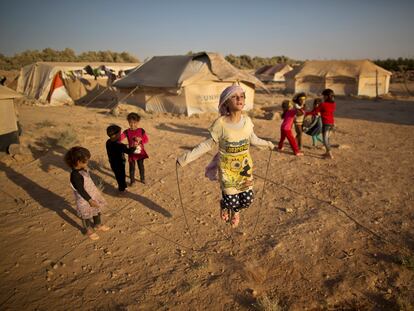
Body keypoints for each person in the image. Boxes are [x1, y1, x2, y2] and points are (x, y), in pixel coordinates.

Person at [177, 85, 274, 228]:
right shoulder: (220, 124)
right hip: (227, 171)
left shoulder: (247, 121)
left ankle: (235, 212)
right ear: (226, 102)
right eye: (234, 96)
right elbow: (206, 145)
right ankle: (226, 205)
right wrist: (185, 159)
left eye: (242, 96)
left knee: (247, 200)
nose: (239, 99)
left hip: (245, 170)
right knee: (231, 200)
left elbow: (254, 140)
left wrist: (269, 144)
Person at [64, 146, 110, 240]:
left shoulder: (82, 169)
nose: (87, 162)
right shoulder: (75, 175)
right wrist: (89, 200)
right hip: (84, 199)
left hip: (92, 195)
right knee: (86, 215)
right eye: (86, 161)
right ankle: (88, 230)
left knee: (96, 210)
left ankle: (97, 224)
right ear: (78, 162)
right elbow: (81, 190)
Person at [120, 113, 149, 185]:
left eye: (134, 122)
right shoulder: (127, 132)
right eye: (130, 122)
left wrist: (141, 139)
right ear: (128, 122)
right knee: (132, 168)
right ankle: (132, 181)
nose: (132, 124)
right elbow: (120, 138)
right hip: (131, 153)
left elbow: (146, 140)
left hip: (140, 152)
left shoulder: (141, 130)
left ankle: (142, 178)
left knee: (141, 166)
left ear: (138, 122)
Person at [106, 125, 136, 193]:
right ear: (115, 135)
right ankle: (122, 189)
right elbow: (129, 151)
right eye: (120, 133)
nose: (120, 135)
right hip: (120, 163)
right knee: (121, 177)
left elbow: (117, 147)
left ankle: (123, 186)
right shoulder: (120, 145)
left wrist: (124, 146)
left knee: (118, 176)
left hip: (113, 163)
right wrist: (134, 147)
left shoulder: (108, 142)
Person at [314, 89, 336, 159]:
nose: (323, 97)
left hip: (326, 124)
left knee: (325, 139)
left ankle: (329, 154)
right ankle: (327, 152)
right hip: (331, 123)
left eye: (324, 96)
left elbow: (316, 111)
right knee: (327, 138)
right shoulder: (333, 104)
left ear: (327, 96)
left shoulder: (323, 104)